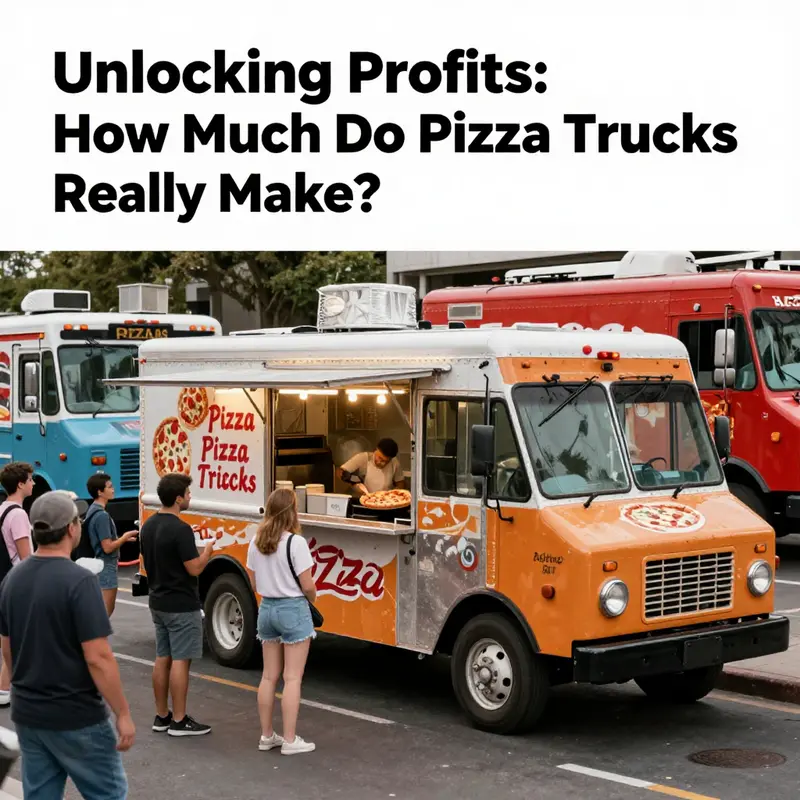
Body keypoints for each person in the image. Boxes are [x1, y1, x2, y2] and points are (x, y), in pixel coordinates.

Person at [0, 491, 135, 799]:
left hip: (29, 715)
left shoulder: (13, 579)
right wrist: (123, 713)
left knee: (41, 794)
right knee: (108, 794)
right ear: (72, 529)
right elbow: (98, 657)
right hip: (75, 714)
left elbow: (8, 649)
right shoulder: (80, 581)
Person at [139, 473, 213, 737]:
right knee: (181, 660)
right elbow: (194, 569)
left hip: (158, 600)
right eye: (188, 493)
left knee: (163, 657)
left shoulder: (148, 525)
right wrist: (207, 552)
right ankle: (180, 721)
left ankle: (162, 715)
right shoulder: (181, 530)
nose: (191, 497)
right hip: (181, 604)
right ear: (179, 498)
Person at [245, 488, 316, 755]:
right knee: (292, 678)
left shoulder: (256, 541)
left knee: (268, 676)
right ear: (292, 512)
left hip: (267, 609)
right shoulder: (296, 543)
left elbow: (253, 583)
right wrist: (313, 598)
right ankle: (289, 739)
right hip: (293, 608)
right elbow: (307, 585)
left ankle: (267, 736)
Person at [0, 461, 34, 707]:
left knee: (9, 635)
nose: (33, 483)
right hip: (18, 582)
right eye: (30, 480)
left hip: (4, 580)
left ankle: (4, 687)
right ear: (20, 484)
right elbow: (25, 557)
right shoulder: (19, 514)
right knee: (21, 637)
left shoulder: (2, 509)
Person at [85, 473, 139, 617]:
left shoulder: (92, 510)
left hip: (98, 566)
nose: (113, 489)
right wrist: (124, 537)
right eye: (109, 487)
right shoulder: (101, 516)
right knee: (103, 615)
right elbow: (107, 547)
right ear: (100, 492)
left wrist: (121, 539)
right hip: (106, 568)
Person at [337, 438, 404, 497]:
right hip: (363, 499)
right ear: (376, 450)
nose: (380, 462)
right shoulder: (363, 458)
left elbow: (400, 483)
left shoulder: (395, 463)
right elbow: (339, 471)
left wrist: (393, 494)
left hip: (385, 501)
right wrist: (349, 480)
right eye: (379, 458)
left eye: (385, 461)